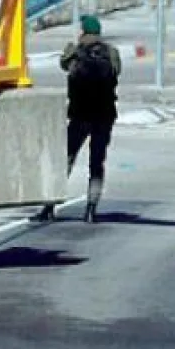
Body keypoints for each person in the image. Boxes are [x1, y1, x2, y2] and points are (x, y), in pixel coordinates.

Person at [47, 14, 121, 224]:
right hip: (104, 116)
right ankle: (91, 209)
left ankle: (49, 206)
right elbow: (117, 72)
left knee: (66, 160)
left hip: (80, 115)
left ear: (83, 31)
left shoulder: (75, 52)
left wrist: (73, 46)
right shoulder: (111, 53)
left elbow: (63, 64)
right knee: (96, 163)